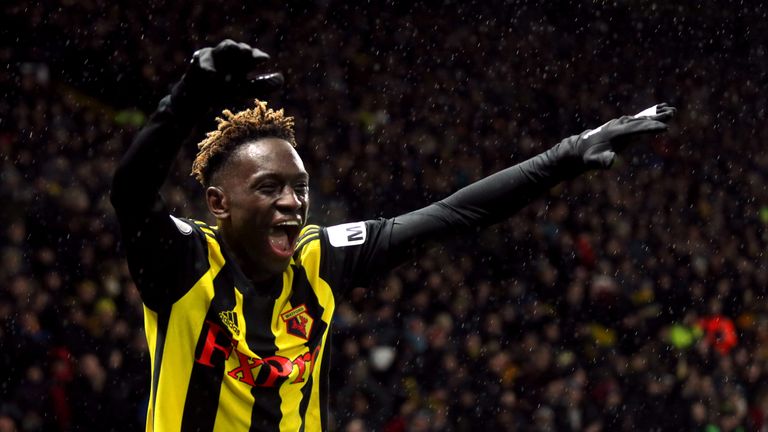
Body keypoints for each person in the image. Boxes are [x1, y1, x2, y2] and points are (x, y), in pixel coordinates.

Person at [110, 40, 676, 431]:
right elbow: (131, 193)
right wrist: (187, 96)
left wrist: (566, 153)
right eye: (269, 188)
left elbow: (453, 214)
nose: (292, 202)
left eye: (299, 188)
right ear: (219, 204)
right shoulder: (184, 262)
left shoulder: (319, 260)